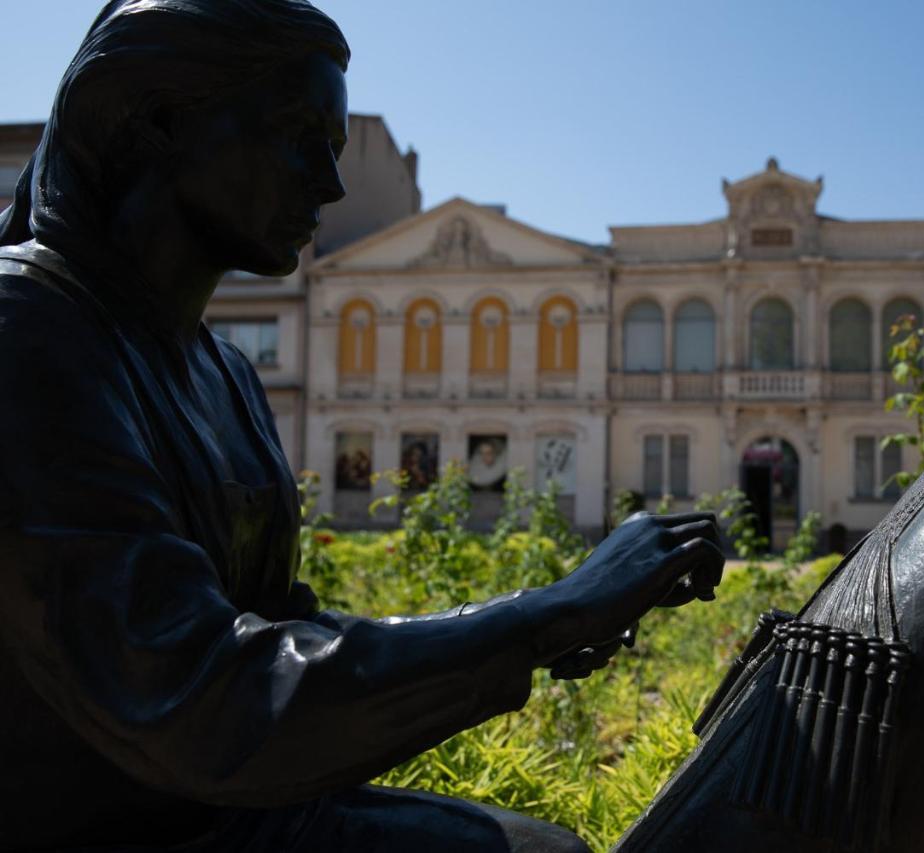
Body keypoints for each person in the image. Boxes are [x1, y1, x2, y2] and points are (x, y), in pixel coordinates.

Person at [0, 2, 724, 851]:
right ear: (162, 120)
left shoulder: (225, 374)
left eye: (337, 148)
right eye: (299, 135)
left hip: (230, 812)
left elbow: (285, 633)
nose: (331, 184)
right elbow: (197, 695)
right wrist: (545, 617)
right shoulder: (29, 329)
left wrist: (529, 617)